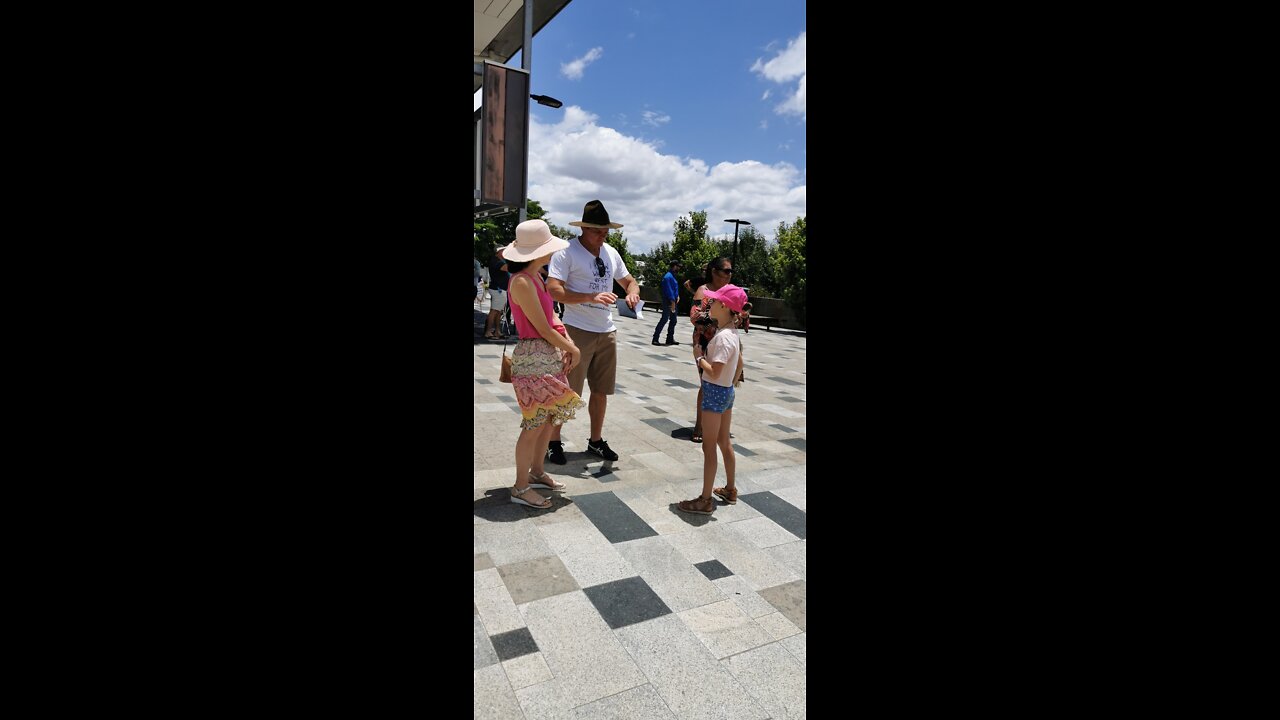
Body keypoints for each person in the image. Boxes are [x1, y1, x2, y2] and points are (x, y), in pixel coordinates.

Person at [544, 200, 641, 464]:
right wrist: (591, 296)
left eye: (606, 232)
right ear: (584, 228)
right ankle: (552, 442)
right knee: (567, 389)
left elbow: (629, 280)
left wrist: (632, 293)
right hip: (577, 330)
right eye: (598, 231)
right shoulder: (567, 252)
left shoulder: (610, 252)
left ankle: (595, 441)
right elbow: (553, 289)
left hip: (606, 330)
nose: (603, 236)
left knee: (601, 390)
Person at [502, 219, 585, 508]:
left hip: (545, 356)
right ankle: (521, 487)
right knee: (535, 422)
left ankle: (537, 471)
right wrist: (572, 347)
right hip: (533, 357)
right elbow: (542, 327)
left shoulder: (535, 276)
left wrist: (566, 342)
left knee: (549, 417)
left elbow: (553, 319)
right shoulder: (523, 281)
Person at [678, 284, 747, 515]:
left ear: (725, 306)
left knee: (709, 447)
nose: (710, 304)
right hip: (726, 392)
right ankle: (730, 489)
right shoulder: (732, 334)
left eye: (715, 302)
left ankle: (705, 500)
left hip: (715, 392)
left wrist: (698, 358)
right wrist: (731, 384)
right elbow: (739, 365)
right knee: (724, 442)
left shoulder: (724, 337)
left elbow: (714, 371)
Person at [688, 257, 742, 443]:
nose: (729, 275)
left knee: (727, 382)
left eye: (731, 271)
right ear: (714, 271)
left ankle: (719, 423)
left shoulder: (730, 290)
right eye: (726, 271)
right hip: (706, 340)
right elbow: (695, 316)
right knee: (707, 382)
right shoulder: (704, 290)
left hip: (727, 340)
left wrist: (739, 316)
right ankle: (700, 425)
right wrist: (718, 319)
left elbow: (742, 312)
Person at [651, 260, 682, 346]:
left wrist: (677, 296)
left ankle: (670, 339)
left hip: (674, 301)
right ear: (674, 266)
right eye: (678, 266)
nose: (679, 268)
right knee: (664, 319)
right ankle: (655, 338)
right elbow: (669, 291)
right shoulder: (668, 277)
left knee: (673, 320)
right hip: (669, 301)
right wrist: (672, 302)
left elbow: (674, 288)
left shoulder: (673, 276)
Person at [484, 248, 510, 339]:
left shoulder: (498, 260)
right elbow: (507, 268)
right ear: (498, 252)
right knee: (494, 311)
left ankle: (497, 331)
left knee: (498, 311)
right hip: (498, 290)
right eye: (503, 250)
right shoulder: (497, 261)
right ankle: (488, 331)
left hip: (499, 289)